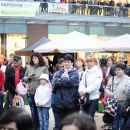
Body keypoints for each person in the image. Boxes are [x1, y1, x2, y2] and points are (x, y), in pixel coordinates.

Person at [24, 52, 49, 130]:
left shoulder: (44, 68)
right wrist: (28, 77)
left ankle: (41, 127)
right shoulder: (28, 67)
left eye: (36, 58)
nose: (34, 60)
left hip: (41, 92)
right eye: (33, 58)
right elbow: (24, 79)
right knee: (33, 110)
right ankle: (35, 127)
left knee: (40, 111)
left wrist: (42, 80)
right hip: (31, 91)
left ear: (39, 58)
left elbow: (48, 79)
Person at [53, 54, 79, 120]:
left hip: (71, 101)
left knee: (70, 121)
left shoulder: (75, 72)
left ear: (72, 63)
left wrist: (61, 79)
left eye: (68, 62)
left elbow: (71, 82)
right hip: (60, 101)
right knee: (63, 121)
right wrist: (65, 80)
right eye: (65, 61)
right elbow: (55, 82)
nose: (66, 63)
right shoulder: (59, 72)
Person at [105, 63, 130, 130]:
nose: (117, 71)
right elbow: (106, 88)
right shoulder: (112, 78)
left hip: (124, 104)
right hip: (113, 104)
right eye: (116, 70)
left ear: (123, 70)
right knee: (114, 123)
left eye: (119, 69)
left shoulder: (128, 79)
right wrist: (110, 93)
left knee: (123, 123)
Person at [51, 58, 64, 130]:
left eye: (62, 66)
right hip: (54, 94)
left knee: (61, 114)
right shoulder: (56, 73)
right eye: (60, 66)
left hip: (62, 95)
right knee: (56, 113)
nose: (61, 68)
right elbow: (54, 83)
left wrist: (59, 81)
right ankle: (57, 127)